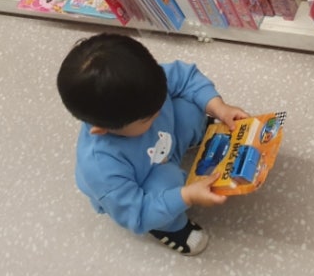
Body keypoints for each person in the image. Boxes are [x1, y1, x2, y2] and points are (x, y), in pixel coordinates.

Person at [56, 32, 249, 256]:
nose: (158, 113)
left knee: (191, 107)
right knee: (168, 183)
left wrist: (219, 108)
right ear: (102, 130)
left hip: (164, 144)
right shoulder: (102, 168)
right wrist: (187, 196)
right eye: (148, 119)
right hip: (145, 179)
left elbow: (185, 78)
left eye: (160, 104)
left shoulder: (141, 86)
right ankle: (171, 228)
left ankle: (199, 134)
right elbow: (137, 213)